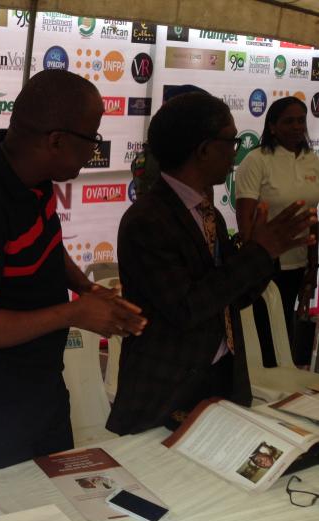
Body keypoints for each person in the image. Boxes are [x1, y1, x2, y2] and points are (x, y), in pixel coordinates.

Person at [0, 69, 147, 475]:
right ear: (56, 141)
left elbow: (43, 244)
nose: (94, 151)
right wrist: (75, 312)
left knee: (61, 490)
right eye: (92, 138)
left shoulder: (33, 175)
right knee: (15, 506)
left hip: (39, 382)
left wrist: (85, 289)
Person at [107, 93, 316, 435]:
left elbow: (232, 297)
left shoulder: (209, 214)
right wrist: (258, 253)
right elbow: (187, 308)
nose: (236, 152)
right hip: (168, 392)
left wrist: (265, 253)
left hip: (221, 379)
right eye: (231, 141)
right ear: (203, 150)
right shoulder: (148, 220)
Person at [235, 96, 319, 367]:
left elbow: (313, 217)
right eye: (288, 121)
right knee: (263, 337)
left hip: (299, 263)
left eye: (301, 121)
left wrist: (313, 267)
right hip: (265, 263)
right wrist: (253, 263)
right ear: (272, 126)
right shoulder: (256, 160)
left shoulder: (312, 160)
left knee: (285, 334)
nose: (297, 127)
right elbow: (245, 219)